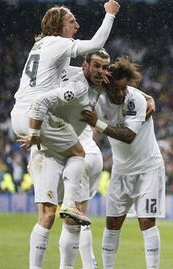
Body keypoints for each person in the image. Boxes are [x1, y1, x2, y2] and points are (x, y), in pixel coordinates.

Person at [11, 0, 120, 227]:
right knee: (78, 153)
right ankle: (70, 204)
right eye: (72, 21)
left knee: (58, 158)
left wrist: (90, 72)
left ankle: (41, 169)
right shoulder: (60, 44)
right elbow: (96, 44)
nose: (77, 25)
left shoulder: (41, 47)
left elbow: (69, 73)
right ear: (59, 26)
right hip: (36, 113)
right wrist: (110, 14)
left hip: (20, 113)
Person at [81, 56, 165, 269]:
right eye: (117, 88)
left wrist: (98, 124)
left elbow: (129, 135)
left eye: (125, 87)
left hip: (148, 168)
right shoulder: (98, 97)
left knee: (147, 221)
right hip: (121, 170)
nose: (121, 92)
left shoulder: (135, 99)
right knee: (112, 223)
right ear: (107, 84)